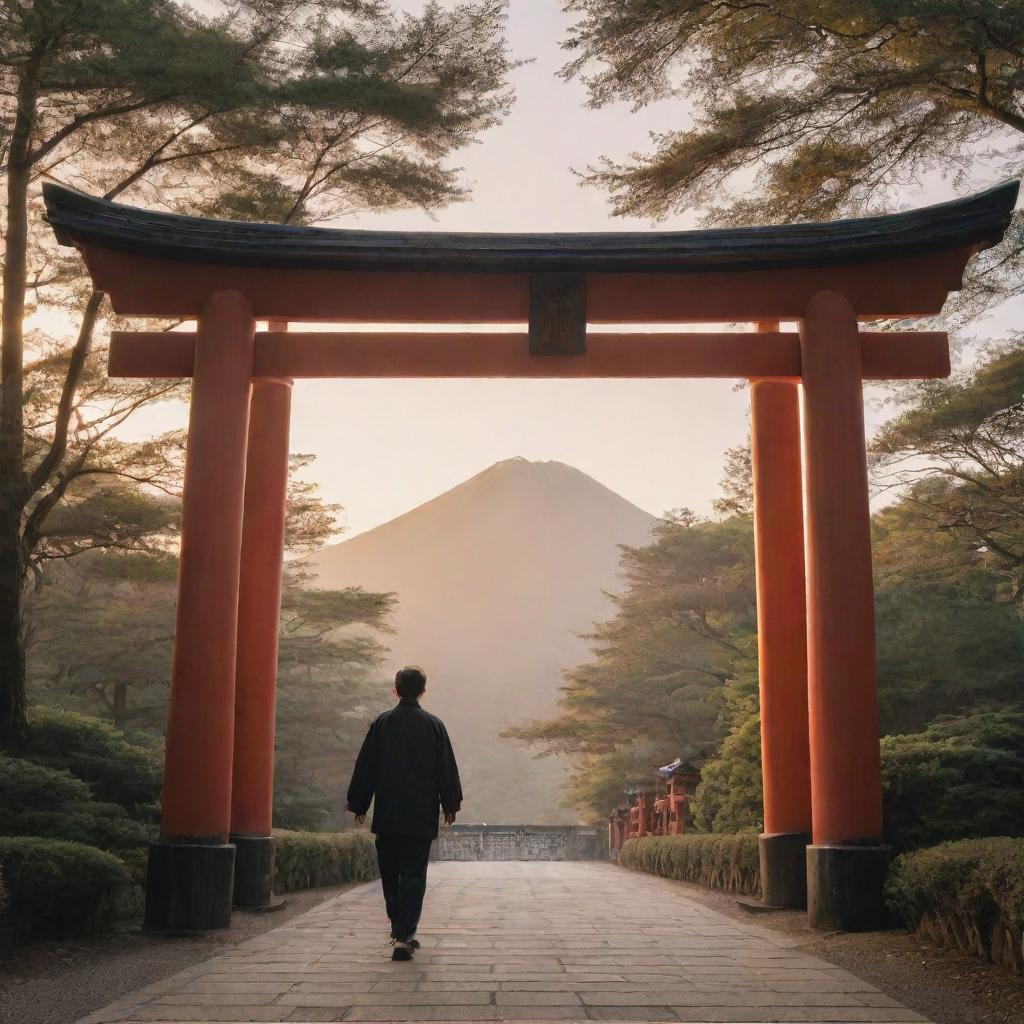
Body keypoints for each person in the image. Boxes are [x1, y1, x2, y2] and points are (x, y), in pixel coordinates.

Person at [346, 665, 463, 961]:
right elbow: (445, 769)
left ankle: (399, 929)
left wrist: (360, 804)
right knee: (413, 873)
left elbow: (366, 766)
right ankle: (403, 933)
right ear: (422, 690)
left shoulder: (382, 723)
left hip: (388, 814)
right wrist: (449, 806)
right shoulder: (434, 725)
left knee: (390, 874)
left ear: (396, 689)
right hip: (421, 815)